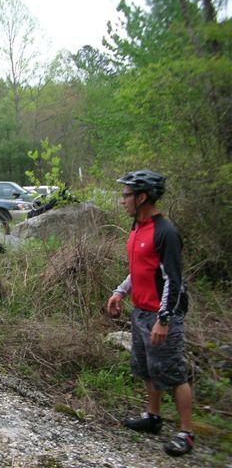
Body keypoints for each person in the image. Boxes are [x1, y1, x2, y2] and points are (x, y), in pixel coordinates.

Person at [106, 170, 193, 457]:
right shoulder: (136, 227)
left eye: (127, 195)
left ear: (142, 197)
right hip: (141, 312)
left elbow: (173, 280)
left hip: (161, 316)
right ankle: (154, 417)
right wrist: (121, 291)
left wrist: (164, 319)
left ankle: (186, 433)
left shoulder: (165, 232)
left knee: (174, 374)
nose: (123, 201)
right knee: (146, 369)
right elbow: (139, 269)